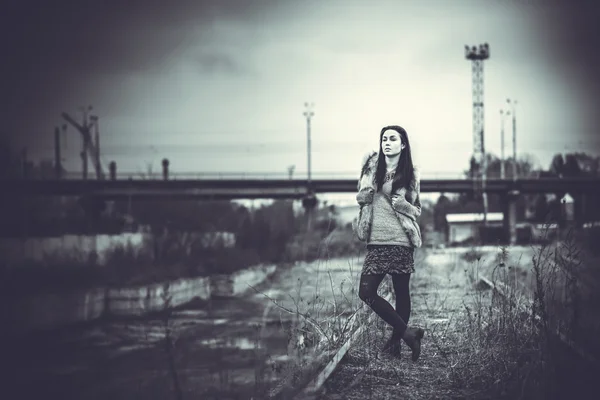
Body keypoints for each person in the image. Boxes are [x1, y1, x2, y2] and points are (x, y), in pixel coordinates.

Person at [354, 125, 424, 361]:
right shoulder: (370, 168)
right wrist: (363, 196)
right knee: (366, 291)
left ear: (402, 144)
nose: (387, 142)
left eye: (393, 138)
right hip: (376, 239)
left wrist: (404, 205)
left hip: (400, 240)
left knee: (401, 292)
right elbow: (361, 197)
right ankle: (408, 334)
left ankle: (395, 344)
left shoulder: (411, 173)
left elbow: (417, 209)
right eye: (384, 138)